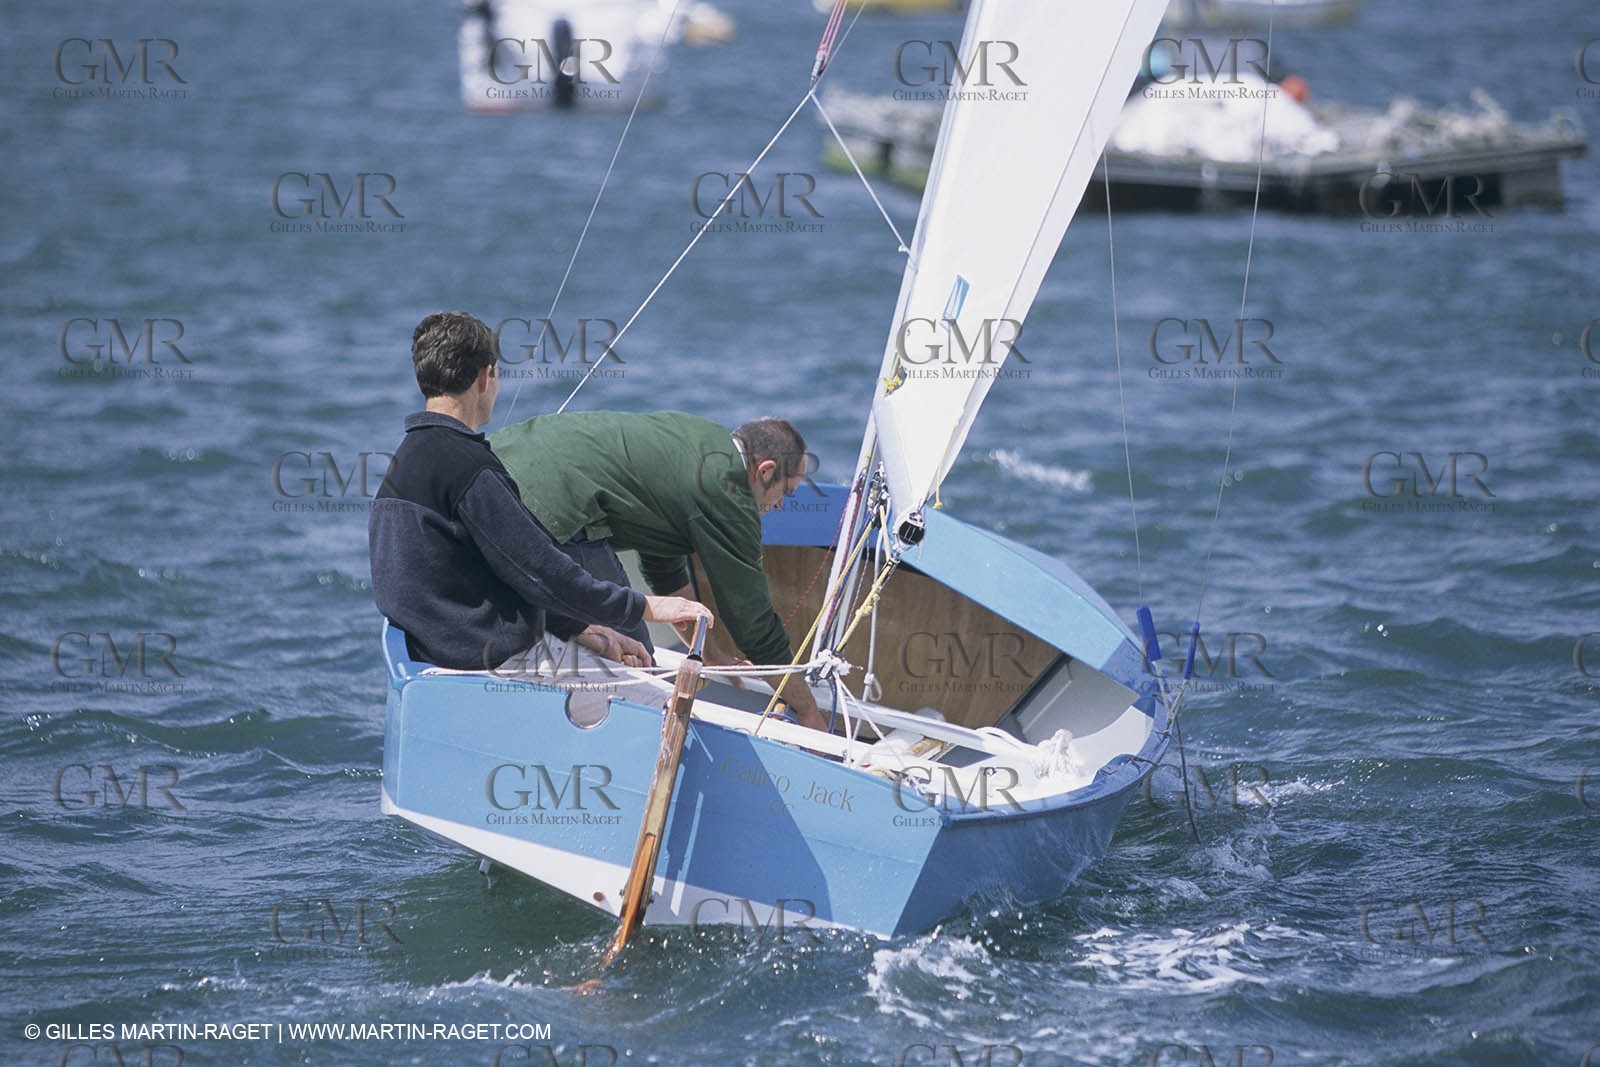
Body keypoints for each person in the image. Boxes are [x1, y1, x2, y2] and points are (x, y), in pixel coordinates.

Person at [368, 312, 711, 677]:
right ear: (485, 377)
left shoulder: (401, 464)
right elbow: (543, 571)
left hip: (435, 653)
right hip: (489, 664)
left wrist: (577, 628)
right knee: (655, 695)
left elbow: (504, 570)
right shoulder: (469, 467)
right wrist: (647, 607)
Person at [489, 410, 829, 732]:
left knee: (631, 645)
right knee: (637, 664)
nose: (780, 504)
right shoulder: (728, 489)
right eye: (785, 493)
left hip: (500, 463)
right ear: (766, 471)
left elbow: (662, 565)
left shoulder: (699, 440)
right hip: (544, 506)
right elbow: (752, 622)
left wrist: (709, 651)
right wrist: (806, 709)